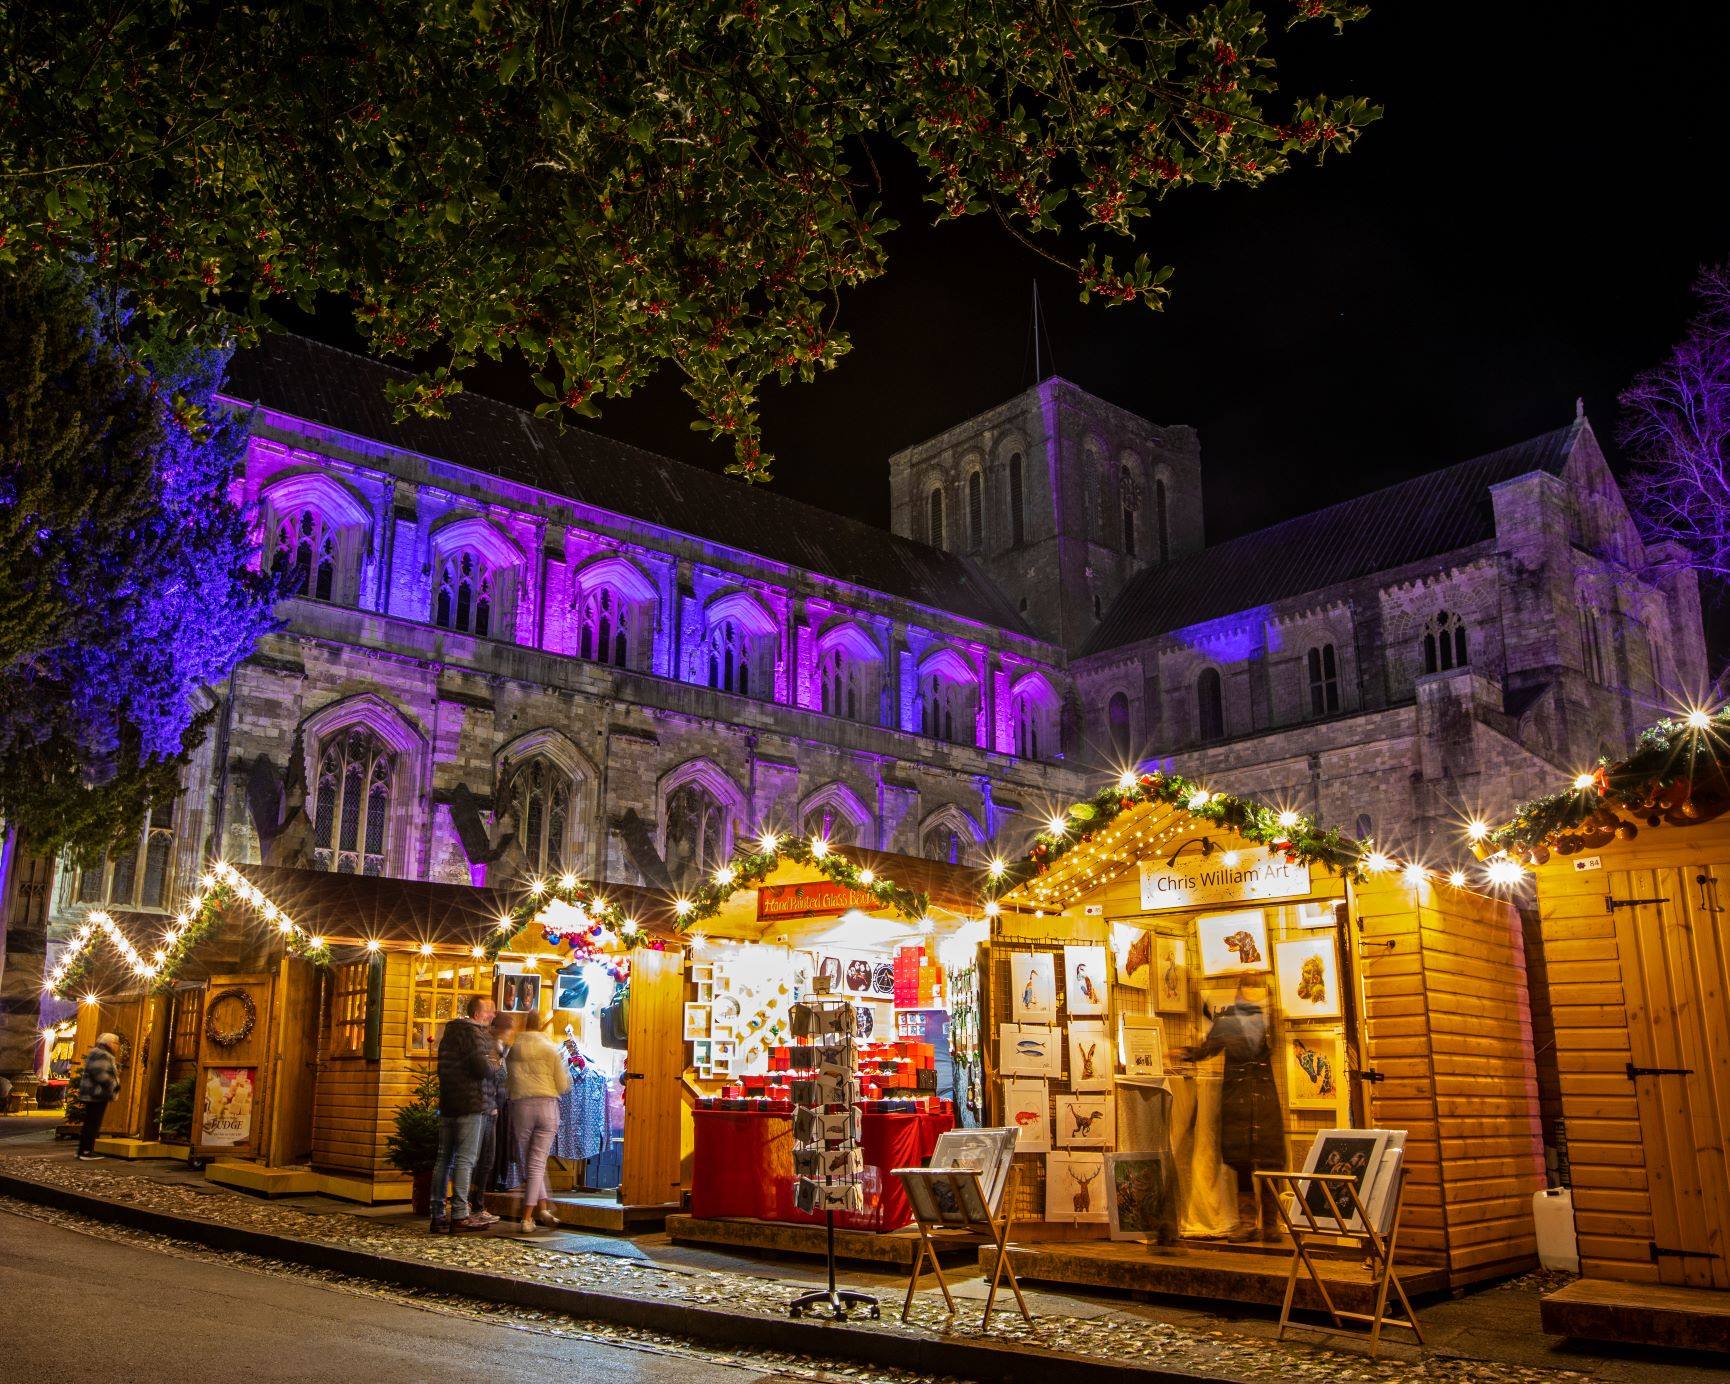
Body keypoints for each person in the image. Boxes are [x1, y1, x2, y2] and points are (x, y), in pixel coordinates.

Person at [1175, 977, 1284, 1241]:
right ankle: (1248, 1223)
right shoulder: (1227, 1021)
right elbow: (1207, 1050)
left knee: (1270, 1160)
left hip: (1264, 1097)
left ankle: (1271, 1224)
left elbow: (1272, 1046)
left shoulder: (1269, 1021)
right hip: (1238, 1098)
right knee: (1242, 1162)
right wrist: (1183, 1053)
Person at [429, 995, 500, 1233]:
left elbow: (444, 1068)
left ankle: (437, 1214)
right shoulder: (474, 1033)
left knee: (443, 1159)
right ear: (478, 1014)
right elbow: (481, 1068)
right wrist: (496, 1065)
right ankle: (459, 1214)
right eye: (490, 1011)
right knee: (465, 1160)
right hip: (471, 1103)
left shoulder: (449, 1034)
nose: (493, 1015)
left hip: (449, 1102)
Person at [507, 1009, 571, 1234]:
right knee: (537, 1162)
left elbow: (508, 1080)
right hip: (547, 1106)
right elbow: (563, 1084)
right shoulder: (549, 1048)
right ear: (542, 1025)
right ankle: (532, 1214)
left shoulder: (514, 1049)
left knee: (531, 1162)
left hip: (521, 1106)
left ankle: (535, 1213)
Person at [475, 1011, 517, 1197]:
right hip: (490, 1103)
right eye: (507, 1029)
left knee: (497, 1146)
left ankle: (496, 1181)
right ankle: (481, 1192)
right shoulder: (491, 1047)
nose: (509, 1032)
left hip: (501, 1101)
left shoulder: (503, 1047)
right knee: (487, 1150)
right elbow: (495, 1075)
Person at [75, 1033, 122, 1160]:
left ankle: (83, 1150)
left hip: (94, 1093)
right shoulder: (102, 1054)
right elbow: (100, 1073)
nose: (117, 1046)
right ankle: (86, 1151)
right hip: (96, 1093)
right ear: (109, 1043)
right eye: (116, 1043)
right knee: (93, 1123)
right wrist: (113, 1084)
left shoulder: (98, 1052)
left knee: (91, 1122)